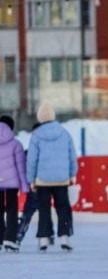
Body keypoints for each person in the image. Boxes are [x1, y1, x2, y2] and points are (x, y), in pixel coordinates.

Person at [26, 102, 78, 252]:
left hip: (42, 179)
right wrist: (72, 174)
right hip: (61, 179)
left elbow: (32, 160)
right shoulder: (64, 132)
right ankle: (65, 237)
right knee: (63, 208)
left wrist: (31, 179)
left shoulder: (37, 135)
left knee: (44, 209)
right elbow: (72, 155)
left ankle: (43, 239)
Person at [17, 123, 55, 245]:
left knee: (29, 212)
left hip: (34, 185)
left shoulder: (31, 150)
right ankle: (49, 235)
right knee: (45, 211)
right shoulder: (48, 149)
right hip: (43, 185)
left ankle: (20, 233)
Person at [0, 115, 30, 252]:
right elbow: (21, 167)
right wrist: (25, 186)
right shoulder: (16, 144)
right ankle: (10, 239)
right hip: (12, 182)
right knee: (12, 210)